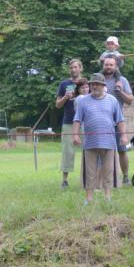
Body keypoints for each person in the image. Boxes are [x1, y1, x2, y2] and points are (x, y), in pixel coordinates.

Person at [72, 73, 127, 205]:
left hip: (108, 143)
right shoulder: (83, 101)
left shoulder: (112, 100)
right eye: (93, 84)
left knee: (108, 171)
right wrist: (75, 135)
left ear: (104, 86)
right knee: (90, 172)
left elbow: (120, 120)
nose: (95, 86)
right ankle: (89, 198)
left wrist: (124, 135)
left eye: (98, 84)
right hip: (90, 143)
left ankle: (108, 198)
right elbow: (77, 119)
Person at [101, 56, 134, 185]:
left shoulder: (122, 80)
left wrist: (119, 90)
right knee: (102, 151)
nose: (108, 67)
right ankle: (105, 178)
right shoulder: (98, 79)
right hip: (101, 122)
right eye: (106, 64)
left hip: (117, 122)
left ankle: (125, 176)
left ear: (116, 67)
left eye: (111, 65)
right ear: (103, 65)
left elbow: (130, 100)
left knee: (122, 150)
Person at [55, 59, 85, 189]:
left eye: (75, 67)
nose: (73, 69)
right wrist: (65, 97)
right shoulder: (64, 84)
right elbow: (57, 105)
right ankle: (65, 180)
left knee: (88, 150)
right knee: (68, 151)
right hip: (69, 122)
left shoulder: (86, 83)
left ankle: (87, 178)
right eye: (71, 67)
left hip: (85, 122)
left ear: (81, 68)